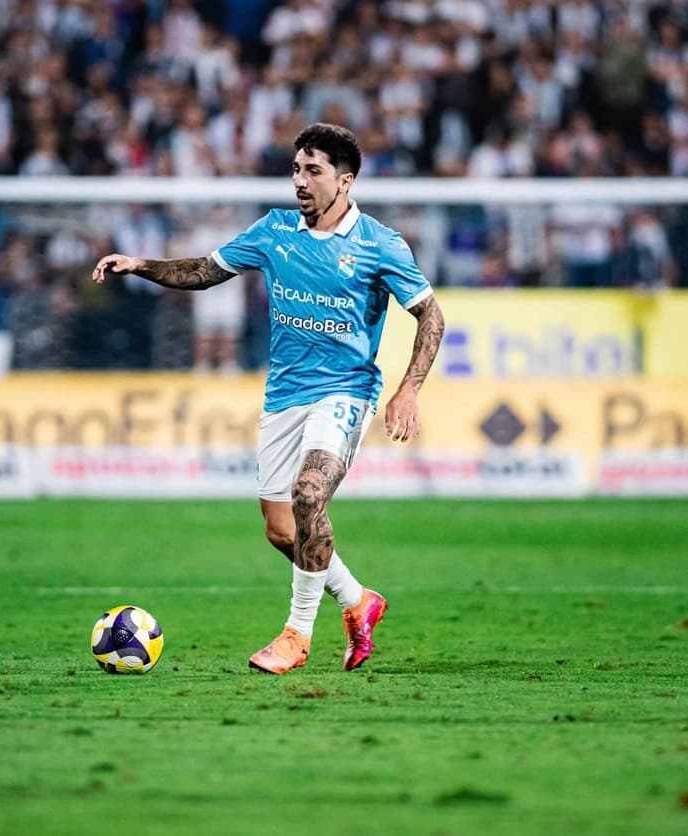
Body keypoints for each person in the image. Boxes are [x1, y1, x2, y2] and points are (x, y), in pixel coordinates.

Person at [92, 123, 445, 674]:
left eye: (314, 171)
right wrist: (141, 265)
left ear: (345, 180)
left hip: (345, 392)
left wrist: (408, 390)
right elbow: (206, 272)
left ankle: (296, 637)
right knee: (282, 529)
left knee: (309, 496)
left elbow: (431, 314)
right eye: (296, 169)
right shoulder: (275, 230)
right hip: (285, 395)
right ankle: (357, 601)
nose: (299, 181)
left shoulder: (379, 243)